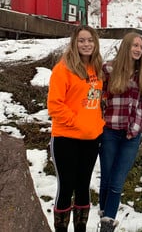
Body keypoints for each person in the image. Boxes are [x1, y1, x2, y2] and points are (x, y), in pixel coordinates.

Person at [47, 25, 104, 232]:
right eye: (81, 40)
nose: (86, 44)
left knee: (83, 186)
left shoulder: (97, 69)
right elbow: (55, 105)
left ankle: (81, 228)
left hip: (91, 138)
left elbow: (98, 99)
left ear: (95, 43)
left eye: (90, 40)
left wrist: (99, 123)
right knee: (66, 186)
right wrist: (78, 122)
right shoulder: (63, 69)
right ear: (74, 43)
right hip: (66, 138)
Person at [99, 32, 142, 232]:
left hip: (131, 136)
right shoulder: (108, 69)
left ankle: (107, 224)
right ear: (126, 46)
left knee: (117, 181)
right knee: (106, 179)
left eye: (141, 47)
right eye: (134, 45)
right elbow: (98, 99)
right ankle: (104, 217)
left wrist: (135, 128)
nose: (138, 49)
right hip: (109, 131)